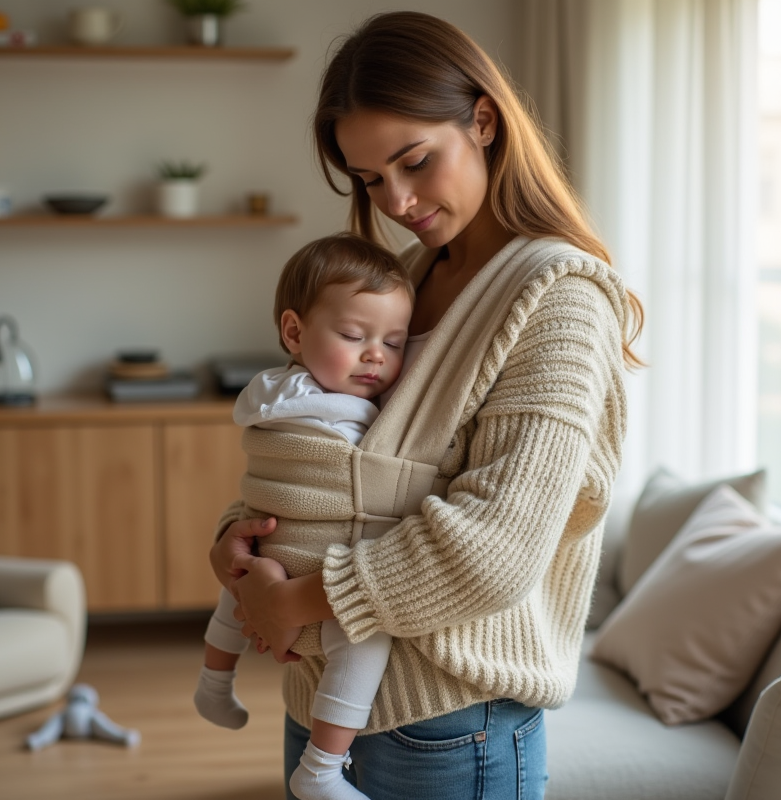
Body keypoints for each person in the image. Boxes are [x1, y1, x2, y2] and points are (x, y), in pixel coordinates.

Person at [210, 11, 645, 800]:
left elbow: (495, 548)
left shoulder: (561, 298)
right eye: (370, 180)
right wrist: (237, 551)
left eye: (414, 161)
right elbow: (333, 457)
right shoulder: (405, 278)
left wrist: (292, 600)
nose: (398, 200)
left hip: (450, 719)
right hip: (321, 696)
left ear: (483, 120)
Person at [195, 233, 415, 800]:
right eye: (354, 336)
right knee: (364, 640)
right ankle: (320, 768)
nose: (376, 355)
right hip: (323, 566)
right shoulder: (349, 413)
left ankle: (214, 681)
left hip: (266, 544)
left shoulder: (267, 393)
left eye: (394, 342)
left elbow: (264, 486)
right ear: (294, 332)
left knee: (237, 586)